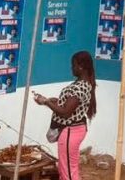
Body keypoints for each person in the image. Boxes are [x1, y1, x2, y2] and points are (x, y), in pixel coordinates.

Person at [34, 51, 97, 180]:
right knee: (68, 169)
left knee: (67, 172)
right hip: (75, 130)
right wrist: (54, 101)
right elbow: (71, 107)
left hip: (70, 131)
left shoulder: (80, 87)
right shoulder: (83, 84)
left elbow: (66, 113)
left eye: (73, 65)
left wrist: (46, 102)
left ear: (81, 66)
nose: (71, 68)